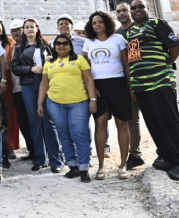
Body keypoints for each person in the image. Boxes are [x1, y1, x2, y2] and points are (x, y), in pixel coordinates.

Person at [125, 0, 179, 181]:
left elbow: (175, 46)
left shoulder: (157, 23)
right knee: (153, 123)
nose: (137, 9)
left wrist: (164, 64)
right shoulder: (130, 32)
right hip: (141, 85)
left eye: (141, 6)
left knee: (169, 122)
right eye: (133, 7)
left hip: (160, 81)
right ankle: (167, 158)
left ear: (147, 9)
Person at [38, 34, 97, 183]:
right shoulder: (49, 63)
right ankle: (73, 166)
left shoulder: (79, 59)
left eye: (65, 43)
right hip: (55, 104)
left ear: (70, 46)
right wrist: (39, 103)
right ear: (54, 47)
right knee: (64, 135)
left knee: (80, 134)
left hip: (78, 103)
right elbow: (44, 84)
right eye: (58, 43)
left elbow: (89, 80)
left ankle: (84, 168)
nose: (61, 46)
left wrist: (93, 99)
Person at [82, 11, 132, 180]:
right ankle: (101, 166)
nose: (97, 25)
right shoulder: (89, 42)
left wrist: (130, 87)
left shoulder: (118, 39)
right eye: (94, 22)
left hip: (118, 84)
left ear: (107, 23)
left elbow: (126, 65)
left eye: (100, 22)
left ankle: (123, 165)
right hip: (98, 87)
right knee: (100, 123)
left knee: (122, 124)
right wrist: (91, 88)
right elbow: (85, 68)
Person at [11, 18, 64, 173]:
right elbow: (15, 68)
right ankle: (40, 159)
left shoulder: (47, 46)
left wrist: (49, 64)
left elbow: (57, 64)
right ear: (23, 30)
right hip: (28, 86)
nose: (29, 29)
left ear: (37, 28)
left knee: (48, 121)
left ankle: (56, 160)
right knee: (34, 121)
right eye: (26, 27)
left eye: (32, 27)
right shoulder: (19, 48)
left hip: (45, 84)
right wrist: (31, 69)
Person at [115, 2, 145, 170]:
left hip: (146, 79)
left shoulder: (140, 29)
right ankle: (135, 155)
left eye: (124, 10)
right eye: (118, 11)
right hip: (127, 82)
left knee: (155, 117)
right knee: (132, 120)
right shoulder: (116, 35)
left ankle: (164, 152)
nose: (122, 13)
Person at [0, 14, 19, 161]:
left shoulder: (10, 43)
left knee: (10, 113)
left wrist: (5, 80)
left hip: (9, 79)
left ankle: (10, 145)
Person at [8, 19, 34, 161]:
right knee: (23, 121)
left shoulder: (30, 46)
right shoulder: (12, 48)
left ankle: (40, 152)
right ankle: (32, 150)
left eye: (18, 30)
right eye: (13, 31)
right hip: (17, 90)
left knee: (33, 120)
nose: (16, 33)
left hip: (30, 88)